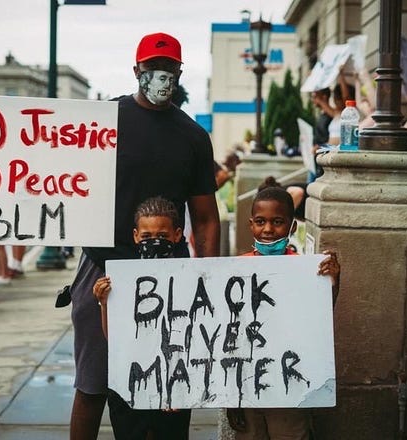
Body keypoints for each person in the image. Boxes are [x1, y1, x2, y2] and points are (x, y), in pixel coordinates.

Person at [68, 32, 220, 439]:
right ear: (136, 70)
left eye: (169, 68)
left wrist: (208, 280)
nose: (161, 75)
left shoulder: (192, 137)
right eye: (153, 68)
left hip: (171, 276)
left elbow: (205, 218)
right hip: (103, 269)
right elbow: (65, 181)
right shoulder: (103, 122)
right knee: (93, 384)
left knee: (170, 385)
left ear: (180, 72)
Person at [228, 178, 341, 440]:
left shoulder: (306, 269)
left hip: (290, 385)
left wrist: (333, 280)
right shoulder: (235, 269)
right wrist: (231, 398)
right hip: (246, 385)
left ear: (291, 226)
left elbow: (320, 318)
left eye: (277, 222)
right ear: (251, 225)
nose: (268, 229)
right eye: (260, 221)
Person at [93, 197, 191, 439]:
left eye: (163, 236)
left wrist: (176, 387)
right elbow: (112, 337)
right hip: (129, 382)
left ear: (177, 235)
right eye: (147, 237)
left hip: (172, 382)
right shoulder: (122, 278)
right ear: (136, 236)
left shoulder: (189, 278)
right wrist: (104, 304)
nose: (154, 242)